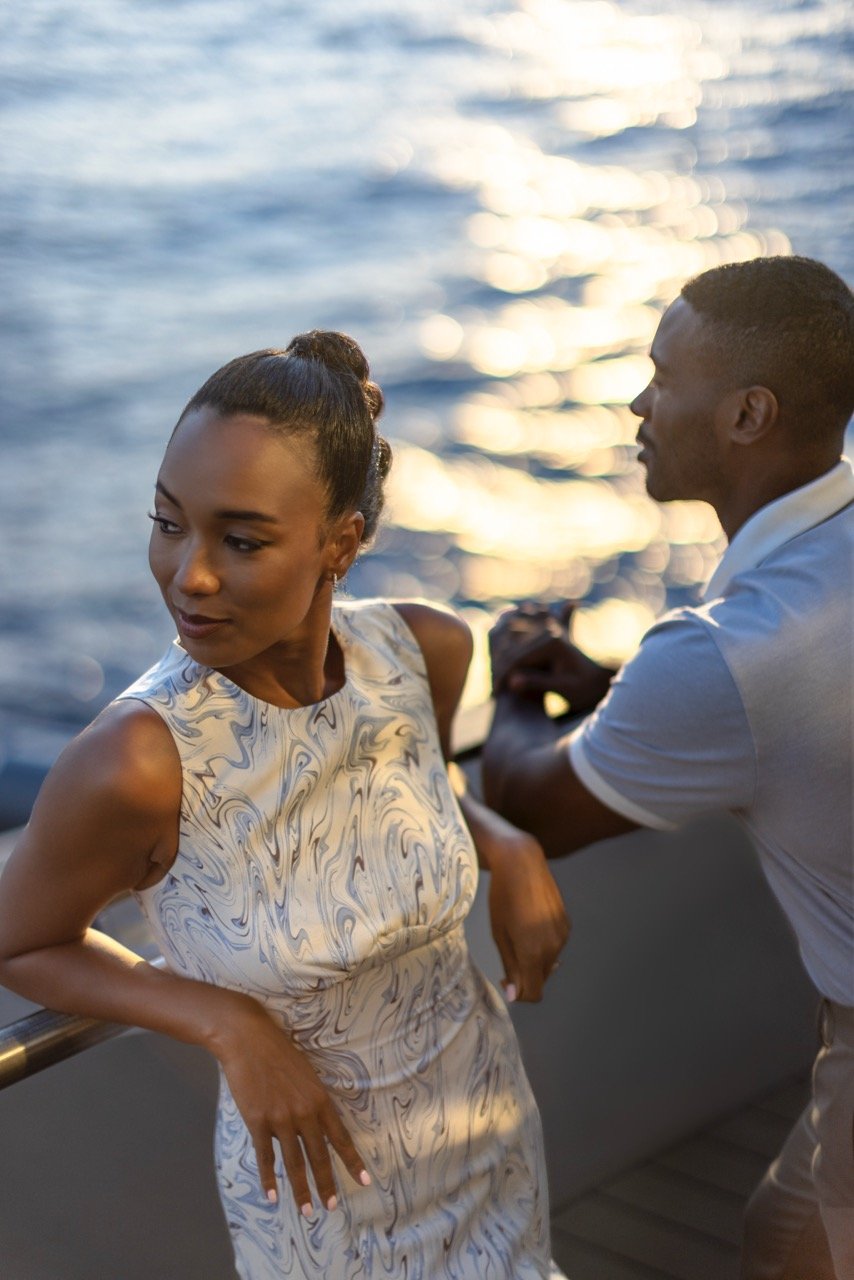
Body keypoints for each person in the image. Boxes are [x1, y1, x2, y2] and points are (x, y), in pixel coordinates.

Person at [0, 332, 570, 1280]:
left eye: (243, 539)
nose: (191, 574)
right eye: (168, 522)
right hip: (320, 1194)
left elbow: (404, 794)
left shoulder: (420, 651)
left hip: (486, 1121)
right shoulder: (137, 761)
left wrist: (502, 842)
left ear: (341, 542)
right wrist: (229, 1023)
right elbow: (20, 942)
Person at [481, 255, 854, 1280]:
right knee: (780, 1238)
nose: (635, 402)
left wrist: (512, 675)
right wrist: (613, 686)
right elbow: (792, 719)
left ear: (745, 413)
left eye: (659, 375)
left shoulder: (728, 651)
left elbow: (527, 802)